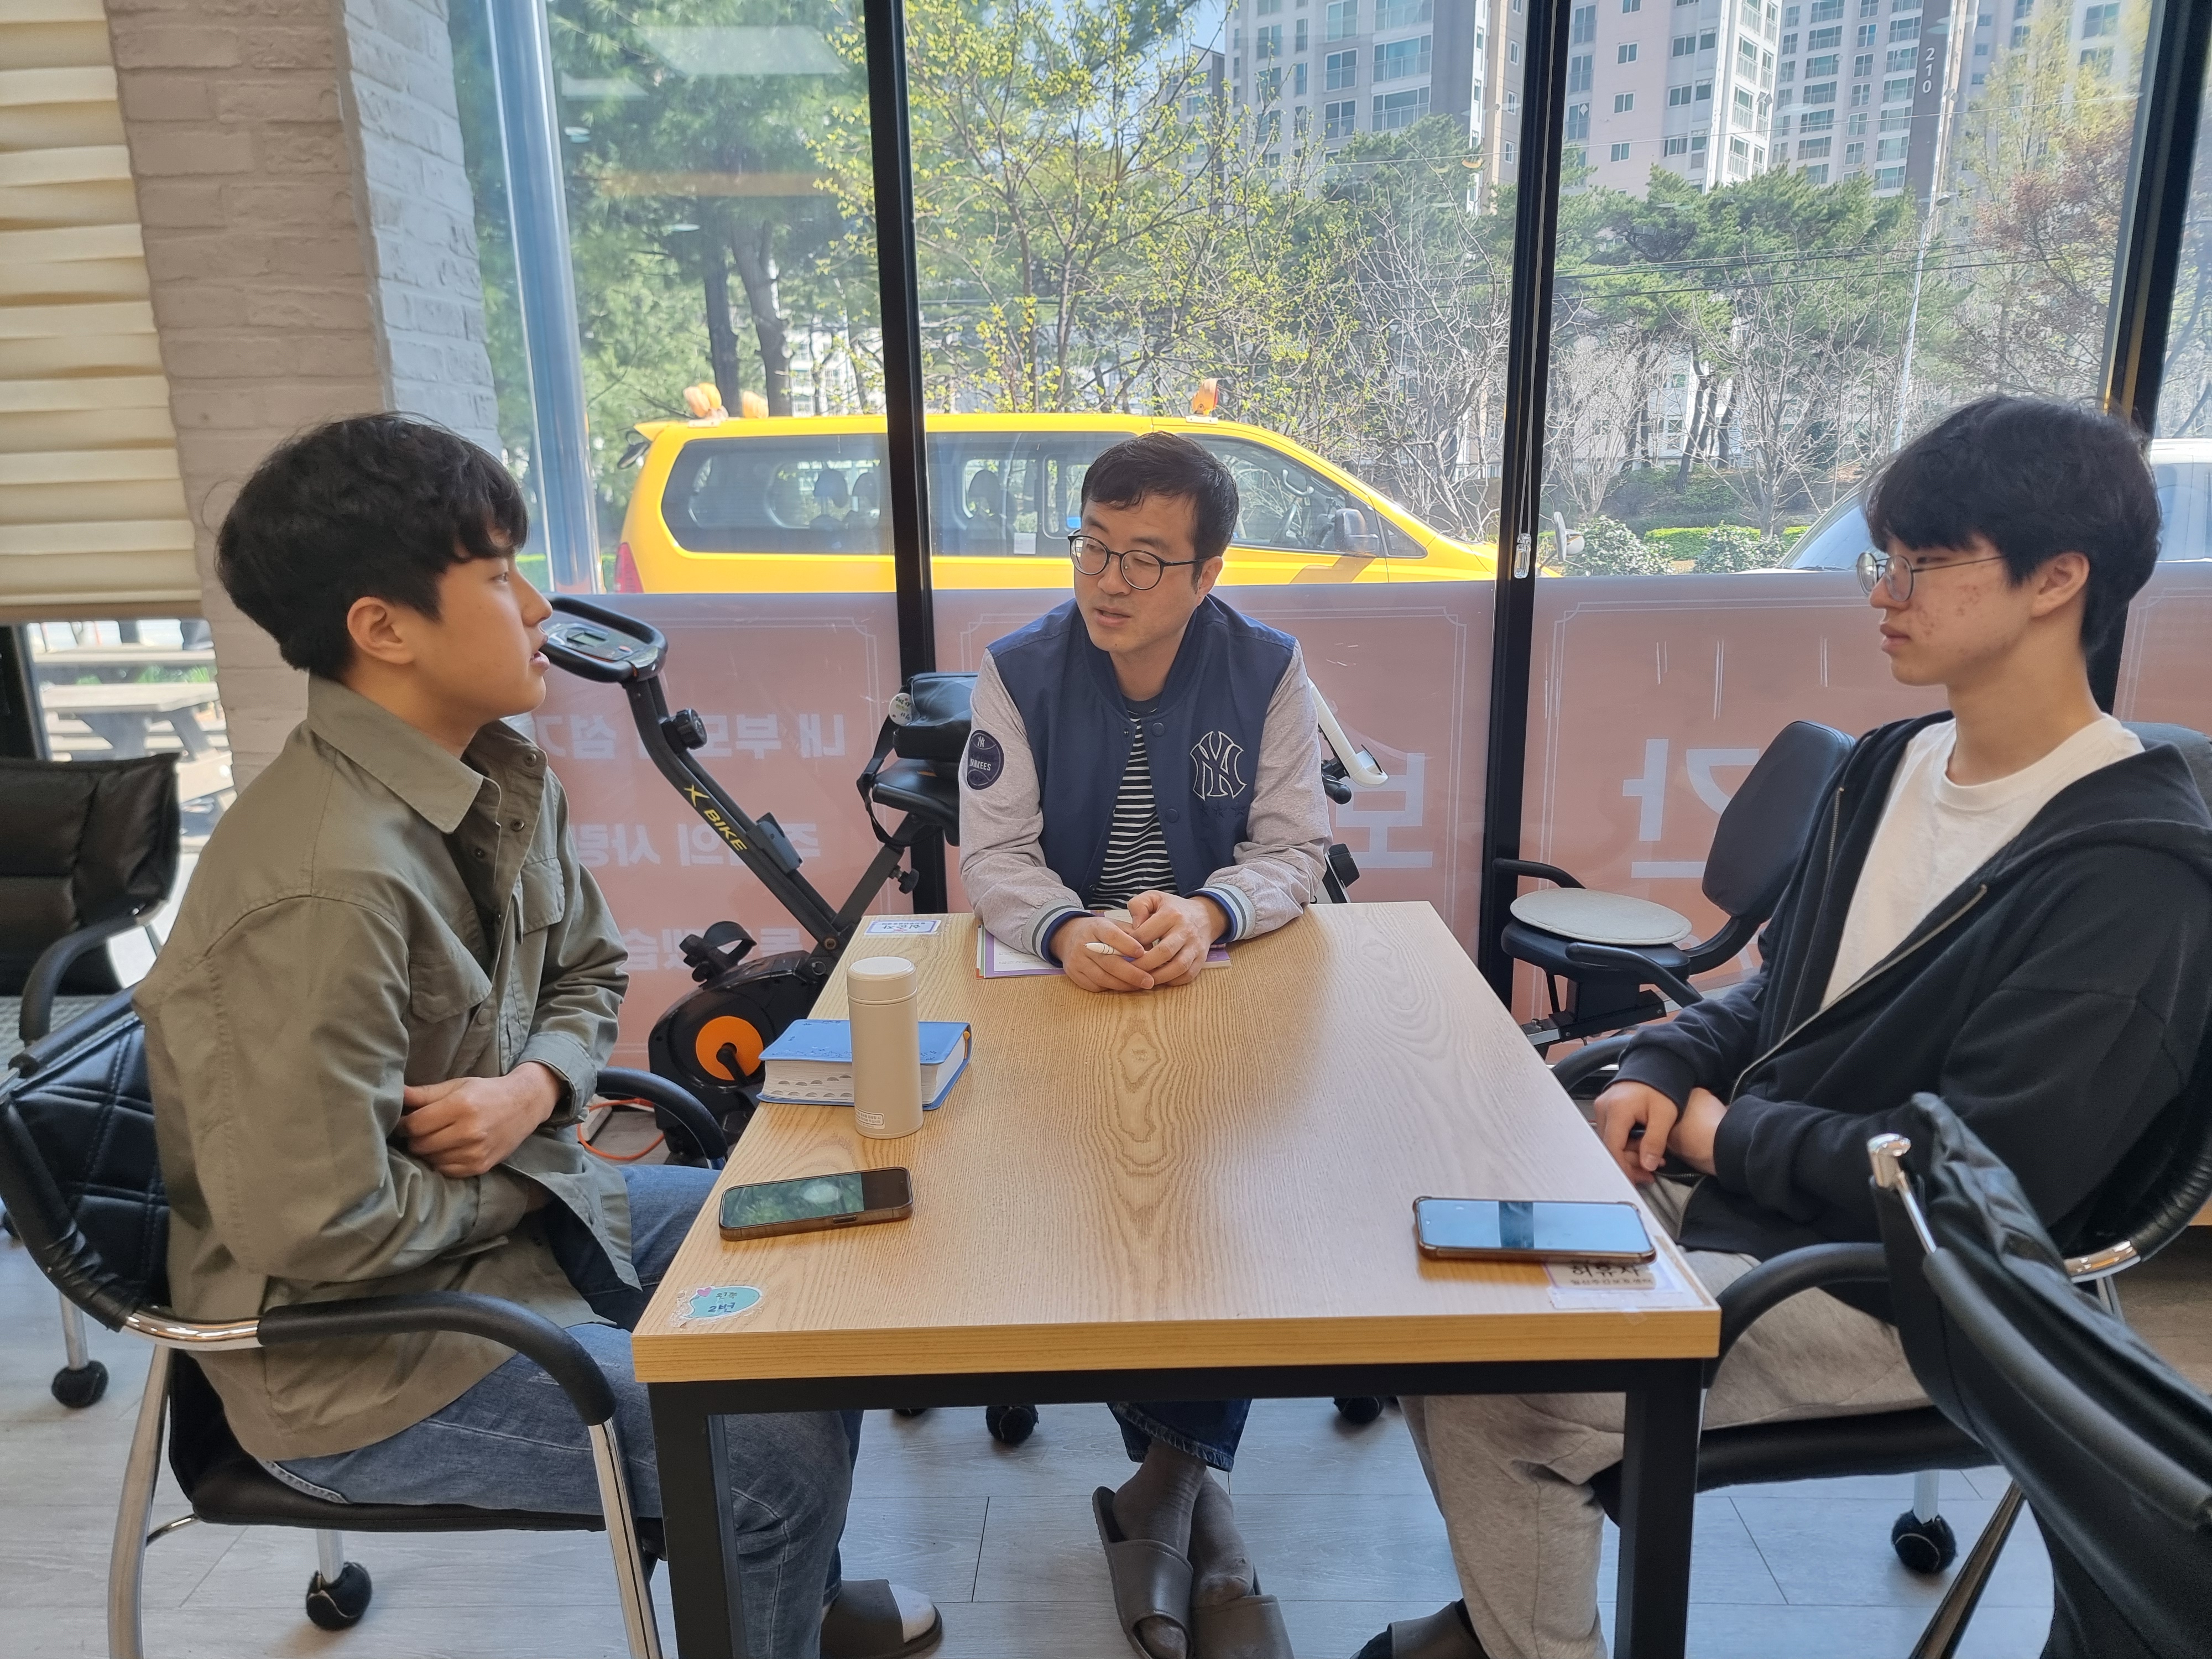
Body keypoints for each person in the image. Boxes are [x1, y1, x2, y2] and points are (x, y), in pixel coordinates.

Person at [1359, 396, 2212, 1659]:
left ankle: (1512, 1636)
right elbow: (1783, 989)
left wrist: (1724, 1137)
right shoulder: (1888, 766)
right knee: (1429, 1269)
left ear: (2057, 580)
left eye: (1925, 563)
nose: (1885, 593)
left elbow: (1986, 1188)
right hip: (1755, 1203)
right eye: (1884, 560)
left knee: (1505, 1386)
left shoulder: (2130, 873)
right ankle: (1507, 1622)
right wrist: (1663, 1064)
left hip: (1901, 1292)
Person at [135, 415, 941, 1659]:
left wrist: (533, 1090)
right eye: (498, 575)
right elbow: (320, 1228)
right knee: (764, 1459)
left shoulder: (499, 776)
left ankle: (790, 1606)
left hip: (502, 1228)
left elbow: (591, 968)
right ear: (384, 627)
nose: (537, 609)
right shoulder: (323, 889)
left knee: (811, 1268)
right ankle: (774, 1571)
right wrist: (531, 1173)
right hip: (366, 1358)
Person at [960, 431, 1332, 1659]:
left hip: (1214, 980)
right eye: (1093, 545)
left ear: (1207, 573)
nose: (1107, 580)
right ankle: (1185, 1493)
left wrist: (1216, 909)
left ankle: (1168, 1485)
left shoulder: (1267, 667)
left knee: (1218, 1198)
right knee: (1115, 1198)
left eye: (1145, 559)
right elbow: (995, 856)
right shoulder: (1017, 669)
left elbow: (1295, 847)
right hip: (1064, 984)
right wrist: (1066, 929)